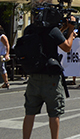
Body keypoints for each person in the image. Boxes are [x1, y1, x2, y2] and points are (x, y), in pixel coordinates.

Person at [22, 9, 76, 139]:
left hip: (34, 76)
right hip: (50, 77)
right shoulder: (52, 30)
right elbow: (67, 47)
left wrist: (62, 28)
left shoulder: (30, 29)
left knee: (30, 112)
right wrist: (71, 33)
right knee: (54, 113)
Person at [0, 25, 10, 89]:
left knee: (2, 68)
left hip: (1, 55)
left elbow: (7, 45)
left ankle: (6, 82)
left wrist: (7, 54)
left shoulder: (2, 36)